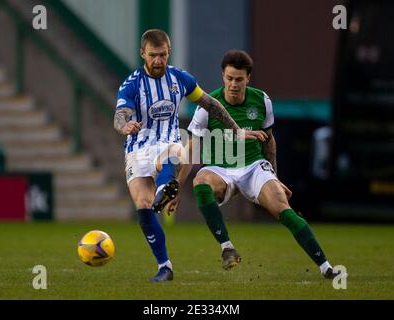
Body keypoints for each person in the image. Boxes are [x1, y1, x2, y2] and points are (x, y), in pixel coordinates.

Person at [114, 30, 265, 282]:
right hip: (137, 150)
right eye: (153, 56)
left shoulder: (179, 79)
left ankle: (165, 188)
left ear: (168, 52)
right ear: (143, 54)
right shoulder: (132, 84)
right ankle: (165, 267)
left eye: (162, 55)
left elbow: (210, 104)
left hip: (169, 144)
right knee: (143, 206)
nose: (158, 60)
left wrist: (235, 129)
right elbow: (120, 114)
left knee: (176, 150)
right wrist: (124, 126)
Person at [187, 49, 340, 279]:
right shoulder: (207, 105)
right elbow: (191, 146)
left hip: (253, 167)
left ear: (248, 78)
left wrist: (274, 178)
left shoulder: (262, 101)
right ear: (222, 77)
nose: (234, 84)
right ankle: (227, 248)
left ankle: (326, 267)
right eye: (229, 78)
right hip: (220, 169)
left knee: (282, 207)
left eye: (239, 79)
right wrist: (176, 183)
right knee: (200, 182)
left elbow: (270, 142)